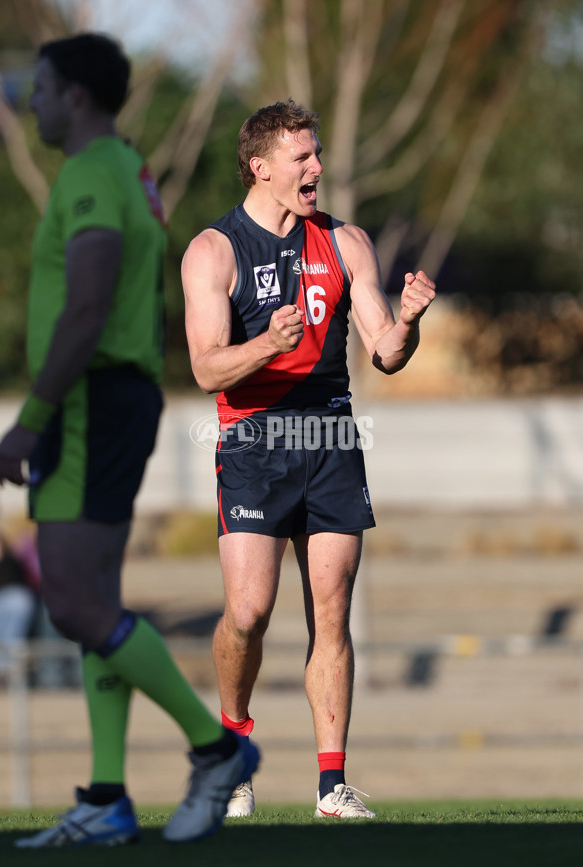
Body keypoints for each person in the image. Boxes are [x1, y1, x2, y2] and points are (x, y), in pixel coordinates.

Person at [0, 33, 258, 848]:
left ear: (75, 94)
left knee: (73, 600)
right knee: (96, 607)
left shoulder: (90, 173)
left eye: (39, 88)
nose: (29, 102)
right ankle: (107, 796)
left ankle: (218, 749)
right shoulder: (131, 170)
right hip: (116, 394)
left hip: (88, 400)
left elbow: (87, 302)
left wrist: (32, 415)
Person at [181, 98, 436, 819]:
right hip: (254, 439)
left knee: (333, 614)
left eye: (318, 154)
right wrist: (269, 342)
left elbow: (384, 352)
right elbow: (205, 369)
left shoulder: (347, 242)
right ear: (261, 167)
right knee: (249, 611)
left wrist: (409, 324)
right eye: (304, 158)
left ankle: (332, 785)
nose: (318, 168)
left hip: (329, 436)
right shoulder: (213, 250)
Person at [0, 477, 37, 686]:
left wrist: (0, 555)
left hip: (3, 604)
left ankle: (1, 670)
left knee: (18, 601)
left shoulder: (1, 538)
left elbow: (17, 578)